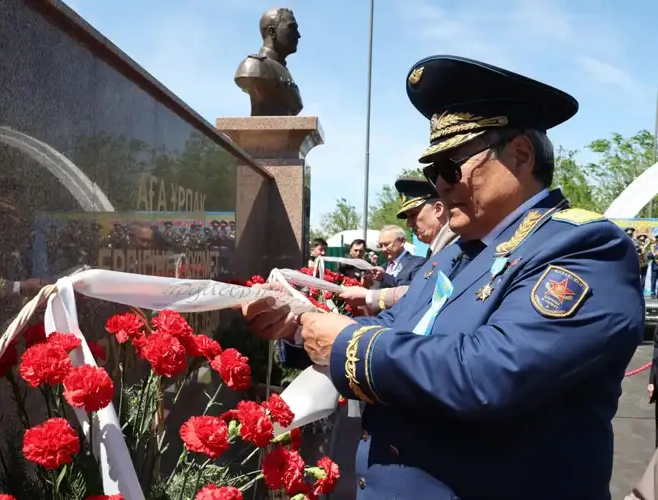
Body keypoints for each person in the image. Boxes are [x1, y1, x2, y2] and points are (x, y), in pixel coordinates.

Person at [241, 55, 644, 500]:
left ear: (521, 155)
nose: (441, 187)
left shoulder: (582, 248)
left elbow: (492, 373)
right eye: (433, 173)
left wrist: (345, 345)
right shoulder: (457, 253)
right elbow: (398, 329)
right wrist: (300, 324)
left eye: (451, 169)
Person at [340, 178, 458, 313]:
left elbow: (426, 292)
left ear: (438, 209)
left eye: (413, 215)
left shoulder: (456, 247)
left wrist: (369, 296)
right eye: (380, 245)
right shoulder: (436, 251)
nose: (409, 224)